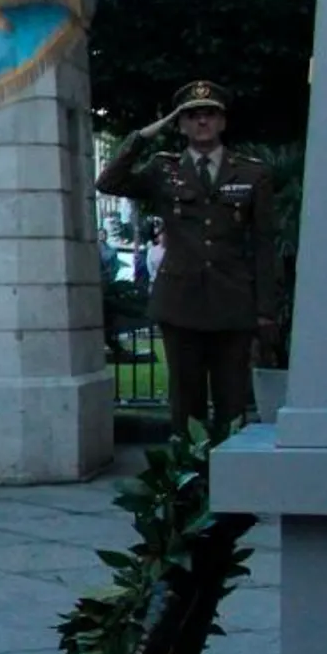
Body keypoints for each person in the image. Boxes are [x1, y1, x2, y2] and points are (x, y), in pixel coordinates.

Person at [95, 81, 275, 435]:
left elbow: (264, 245)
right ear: (180, 124)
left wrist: (265, 310)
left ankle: (228, 479)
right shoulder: (164, 170)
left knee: (232, 400)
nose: (202, 122)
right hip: (180, 304)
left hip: (232, 302)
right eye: (192, 116)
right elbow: (108, 181)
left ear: (223, 122)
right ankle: (185, 484)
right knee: (185, 401)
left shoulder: (252, 173)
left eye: (210, 114)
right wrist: (145, 136)